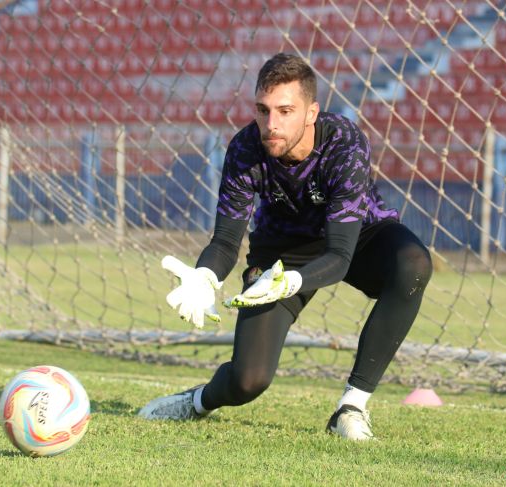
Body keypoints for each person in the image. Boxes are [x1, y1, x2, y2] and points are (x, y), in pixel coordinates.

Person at [138, 53, 432, 440]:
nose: (271, 124)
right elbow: (226, 240)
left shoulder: (344, 144)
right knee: (248, 380)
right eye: (263, 110)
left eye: (285, 110)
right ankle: (197, 402)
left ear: (311, 113)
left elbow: (340, 256)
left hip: (356, 236)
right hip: (280, 250)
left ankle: (351, 407)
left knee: (412, 264)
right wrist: (205, 275)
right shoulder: (245, 149)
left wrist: (292, 282)